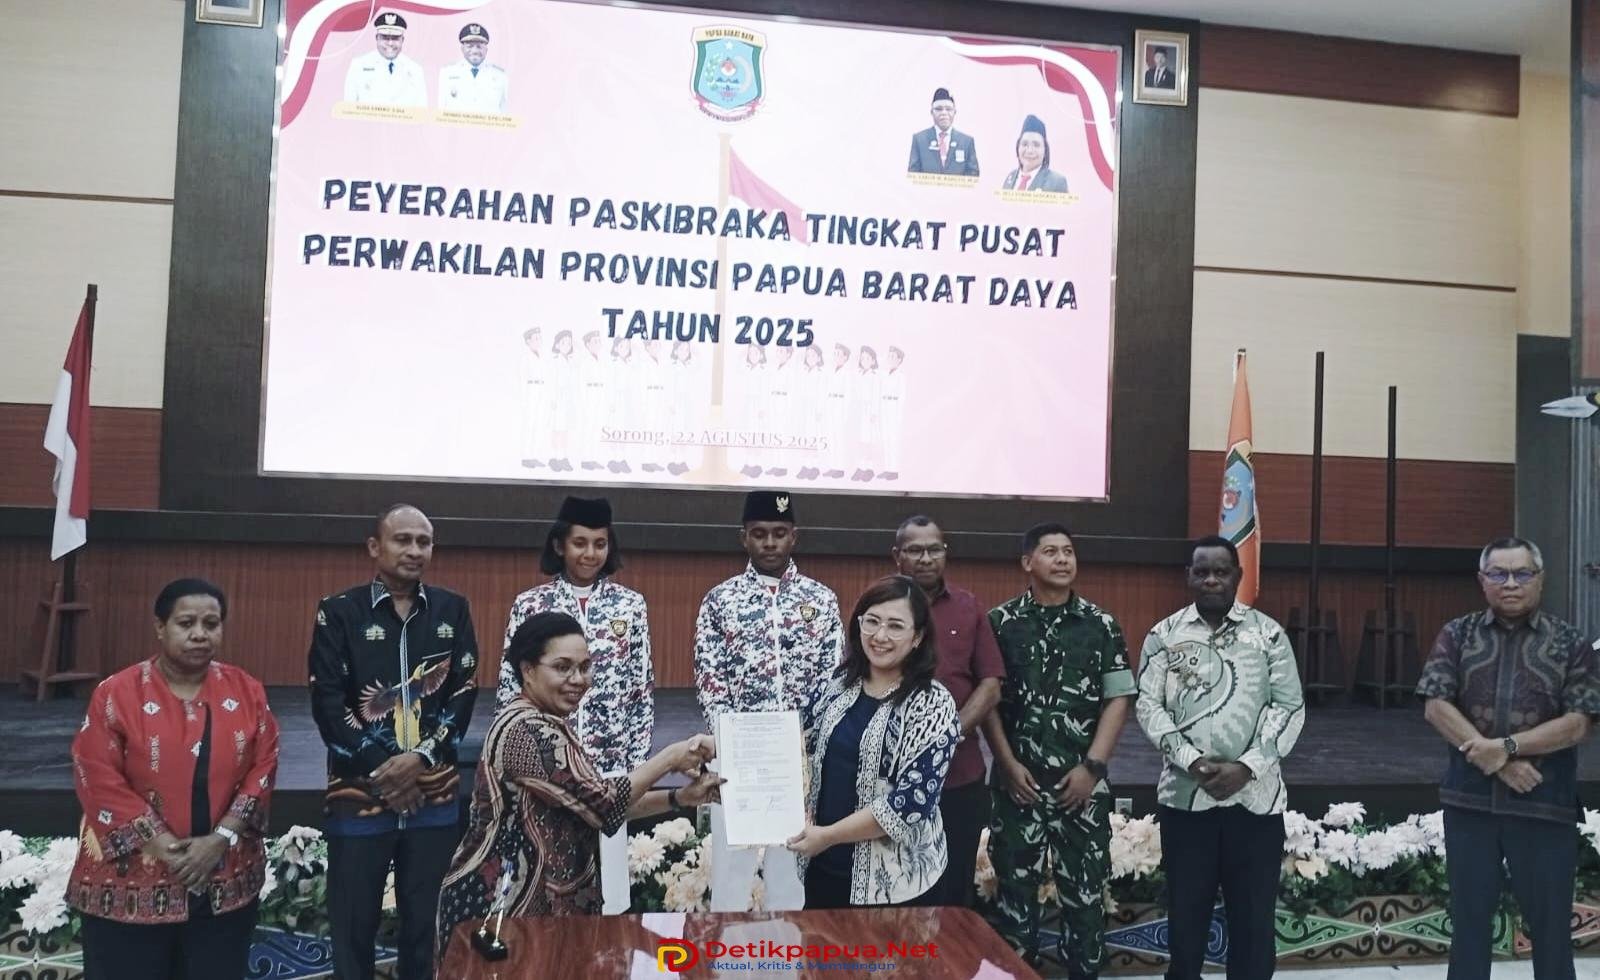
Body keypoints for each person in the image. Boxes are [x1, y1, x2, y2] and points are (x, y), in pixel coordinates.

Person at [437, 613, 720, 963]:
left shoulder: (547, 723)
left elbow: (591, 808)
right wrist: (670, 758)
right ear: (527, 670)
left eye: (585, 667)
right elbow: (604, 801)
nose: (578, 680)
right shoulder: (527, 731)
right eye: (563, 667)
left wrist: (679, 797)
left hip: (543, 917)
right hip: (501, 912)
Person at [69, 578, 279, 980]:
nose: (200, 634)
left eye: (211, 624)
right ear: (160, 627)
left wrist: (220, 839)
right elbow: (96, 774)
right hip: (129, 884)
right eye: (186, 623)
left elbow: (264, 766)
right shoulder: (116, 693)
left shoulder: (246, 690)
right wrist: (165, 846)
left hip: (224, 881)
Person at [308, 504, 479, 980]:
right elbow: (328, 702)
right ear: (374, 547)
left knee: (427, 929)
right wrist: (386, 771)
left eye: (424, 541)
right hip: (359, 795)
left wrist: (420, 759)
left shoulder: (452, 609)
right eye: (403, 539)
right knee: (353, 929)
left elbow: (464, 691)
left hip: (432, 794)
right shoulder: (338, 611)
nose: (414, 550)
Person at [1417, 536, 1600, 980]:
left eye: (1522, 573)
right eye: (1498, 574)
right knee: (1469, 928)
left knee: (1551, 933)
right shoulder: (1458, 634)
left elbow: (1579, 722)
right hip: (1470, 805)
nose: (1511, 583)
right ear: (1482, 581)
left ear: (1540, 579)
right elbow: (1436, 705)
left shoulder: (1569, 642)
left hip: (1544, 806)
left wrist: (1507, 748)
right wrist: (1496, 760)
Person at [1134, 535, 1304, 980]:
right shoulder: (1164, 635)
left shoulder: (1268, 634)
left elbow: (1289, 707)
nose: (1211, 579)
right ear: (1188, 577)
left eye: (1221, 571)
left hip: (1255, 804)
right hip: (1186, 801)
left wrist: (1247, 767)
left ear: (1237, 576)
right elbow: (1148, 706)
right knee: (1186, 920)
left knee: (1254, 924)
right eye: (1202, 571)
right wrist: (1191, 760)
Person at [982, 524, 1133, 977]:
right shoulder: (999, 623)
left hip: (1080, 790)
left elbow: (1118, 698)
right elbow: (988, 700)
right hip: (1018, 787)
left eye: (1068, 551)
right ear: (1027, 562)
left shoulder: (1100, 624)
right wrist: (1006, 764)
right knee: (1014, 907)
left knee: (1085, 906)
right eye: (1050, 551)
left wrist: (1092, 768)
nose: (1063, 559)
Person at [494, 496, 654, 914]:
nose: (590, 553)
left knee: (612, 894)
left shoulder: (630, 606)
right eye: (579, 543)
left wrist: (633, 768)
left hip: (610, 769)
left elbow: (641, 691)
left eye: (600, 543)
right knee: (550, 891)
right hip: (547, 771)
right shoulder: (530, 604)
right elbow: (510, 687)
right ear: (559, 545)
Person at [693, 490, 844, 911]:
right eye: (759, 534)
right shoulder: (720, 600)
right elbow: (710, 678)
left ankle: (787, 949)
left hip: (797, 759)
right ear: (743, 537)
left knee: (791, 871)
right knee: (731, 872)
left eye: (779, 533)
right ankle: (726, 950)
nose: (770, 543)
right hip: (737, 757)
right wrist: (732, 742)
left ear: (794, 536)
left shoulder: (820, 599)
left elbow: (833, 676)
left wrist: (806, 741)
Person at [787, 575, 960, 908]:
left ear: (918, 637)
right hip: (822, 871)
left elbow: (909, 804)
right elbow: (797, 743)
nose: (880, 636)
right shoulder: (839, 685)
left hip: (897, 889)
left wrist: (828, 836)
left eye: (895, 626)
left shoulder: (933, 704)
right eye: (872, 621)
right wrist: (723, 746)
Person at [891, 516, 1005, 906]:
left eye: (934, 549)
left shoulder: (968, 607)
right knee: (895, 892)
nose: (926, 558)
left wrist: (947, 735)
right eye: (915, 550)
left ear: (945, 553)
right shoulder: (878, 605)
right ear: (897, 556)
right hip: (892, 779)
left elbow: (990, 684)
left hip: (958, 776)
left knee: (954, 894)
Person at [343, 13, 427, 108]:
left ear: (402, 40)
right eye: (385, 38)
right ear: (377, 38)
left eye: (395, 38)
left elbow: (422, 112)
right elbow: (348, 108)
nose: (390, 43)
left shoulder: (415, 70)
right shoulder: (358, 66)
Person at [906, 87, 980, 176]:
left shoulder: (966, 142)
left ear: (955, 112)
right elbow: (913, 174)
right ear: (931, 112)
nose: (944, 113)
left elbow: (973, 175)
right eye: (939, 109)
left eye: (948, 109)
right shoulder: (919, 140)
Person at [437, 23, 508, 114]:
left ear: (486, 50)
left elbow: (504, 112)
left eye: (479, 47)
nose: (475, 51)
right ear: (462, 48)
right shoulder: (447, 73)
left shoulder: (500, 75)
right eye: (469, 46)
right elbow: (441, 110)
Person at [1001, 115, 1069, 194]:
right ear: (1018, 147)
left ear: (1045, 150)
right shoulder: (1010, 177)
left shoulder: (1057, 182)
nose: (1029, 151)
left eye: (1036, 145)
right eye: (1024, 144)